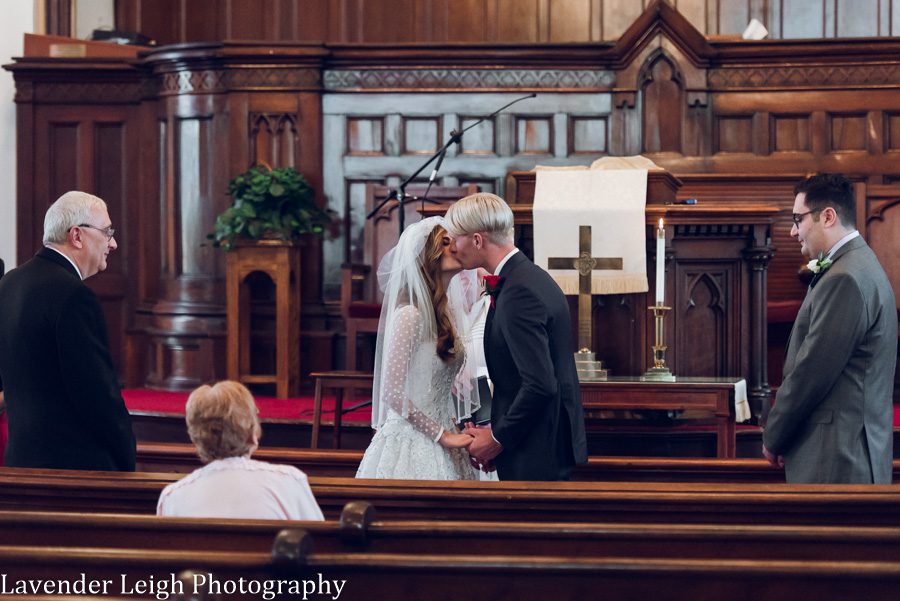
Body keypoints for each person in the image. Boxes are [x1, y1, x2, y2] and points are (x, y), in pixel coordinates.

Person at [763, 174, 897, 484]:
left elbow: (812, 371)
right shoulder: (856, 264)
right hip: (843, 451)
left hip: (837, 457)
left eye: (798, 219)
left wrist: (775, 435)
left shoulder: (844, 278)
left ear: (827, 216)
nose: (793, 231)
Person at [445, 192, 588, 481]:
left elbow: (540, 384)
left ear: (476, 240)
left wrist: (496, 438)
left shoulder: (519, 291)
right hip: (534, 440)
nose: (452, 248)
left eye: (454, 238)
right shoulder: (527, 277)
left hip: (538, 448)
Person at [0, 191, 135, 471]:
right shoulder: (73, 295)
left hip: (20, 462)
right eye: (107, 232)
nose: (113, 243)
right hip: (74, 469)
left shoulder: (9, 284)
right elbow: (97, 394)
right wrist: (126, 458)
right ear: (77, 236)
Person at [356, 216, 479, 480]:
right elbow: (392, 392)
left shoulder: (446, 314)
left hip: (447, 429)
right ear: (429, 257)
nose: (455, 246)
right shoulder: (410, 315)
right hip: (412, 440)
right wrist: (441, 435)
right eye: (445, 243)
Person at [157, 381, 324, 520]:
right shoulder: (288, 482)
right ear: (251, 434)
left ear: (196, 437)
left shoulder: (173, 498)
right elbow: (319, 546)